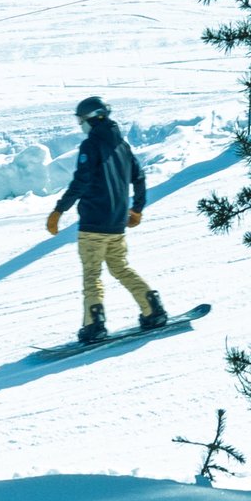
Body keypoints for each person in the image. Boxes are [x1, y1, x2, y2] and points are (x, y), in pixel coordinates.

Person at [45, 97, 170, 345]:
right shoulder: (122, 146)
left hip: (93, 224)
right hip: (116, 224)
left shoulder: (91, 146)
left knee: (92, 275)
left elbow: (81, 181)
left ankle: (94, 325)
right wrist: (137, 209)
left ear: (92, 119)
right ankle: (153, 309)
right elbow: (140, 177)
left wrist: (59, 210)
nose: (81, 125)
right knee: (120, 267)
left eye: (81, 120)